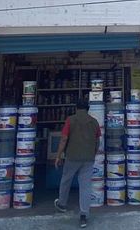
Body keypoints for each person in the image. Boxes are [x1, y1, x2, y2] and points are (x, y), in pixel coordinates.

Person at [54, 98, 101, 228]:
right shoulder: (94, 122)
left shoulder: (70, 120)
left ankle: (62, 204)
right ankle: (84, 215)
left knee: (66, 180)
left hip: (72, 157)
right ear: (88, 109)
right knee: (85, 186)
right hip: (88, 158)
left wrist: (58, 156)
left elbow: (64, 139)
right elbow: (98, 141)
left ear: (76, 108)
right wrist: (93, 153)